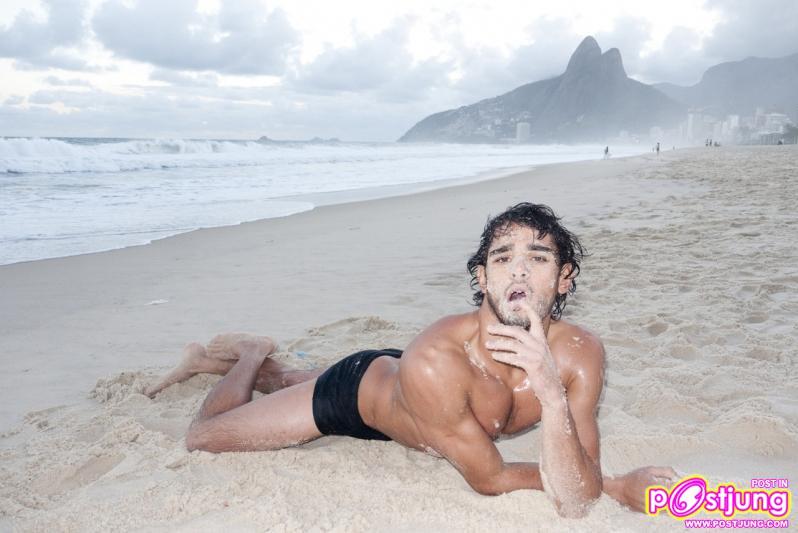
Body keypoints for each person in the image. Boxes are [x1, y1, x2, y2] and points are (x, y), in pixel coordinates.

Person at [147, 203, 676, 517]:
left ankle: (250, 365)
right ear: (481, 278)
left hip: (414, 389)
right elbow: (493, 478)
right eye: (502, 258)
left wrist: (551, 393)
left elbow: (576, 491)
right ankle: (250, 352)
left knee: (285, 380)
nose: (518, 272)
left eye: (537, 259)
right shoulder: (436, 362)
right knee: (206, 437)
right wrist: (615, 485)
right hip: (357, 393)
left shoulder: (580, 355)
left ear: (563, 280)